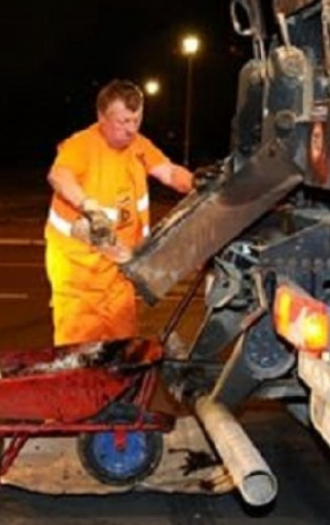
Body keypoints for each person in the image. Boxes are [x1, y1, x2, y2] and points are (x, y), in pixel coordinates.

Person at [44, 79, 193, 346]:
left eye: (136, 120)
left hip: (119, 270)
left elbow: (168, 172)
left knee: (122, 348)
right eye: (122, 121)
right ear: (101, 117)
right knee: (77, 355)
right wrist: (89, 206)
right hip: (80, 279)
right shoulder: (82, 146)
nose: (130, 129)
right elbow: (59, 176)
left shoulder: (137, 145)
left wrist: (198, 183)